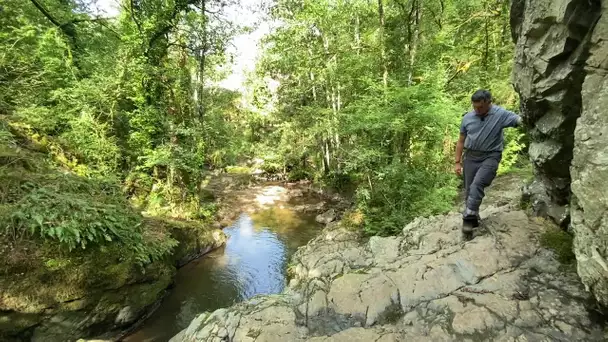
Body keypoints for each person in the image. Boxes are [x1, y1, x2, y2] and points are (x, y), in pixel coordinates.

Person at [455, 89, 523, 237]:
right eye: (474, 107)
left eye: (480, 107)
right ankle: (474, 216)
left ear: (488, 103)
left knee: (477, 184)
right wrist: (457, 162)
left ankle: (467, 219)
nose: (477, 110)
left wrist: (528, 118)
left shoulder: (500, 114)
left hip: (491, 156)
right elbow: (460, 141)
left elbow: (518, 120)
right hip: (471, 157)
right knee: (468, 191)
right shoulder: (467, 118)